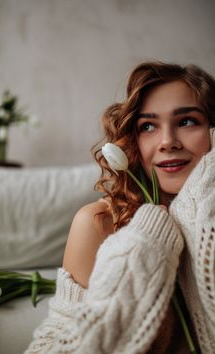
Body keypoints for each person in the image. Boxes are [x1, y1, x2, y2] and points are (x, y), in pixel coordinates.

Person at [25, 61, 215, 354]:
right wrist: (148, 238)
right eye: (148, 126)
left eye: (187, 121)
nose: (167, 142)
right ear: (133, 142)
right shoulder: (99, 223)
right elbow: (50, 348)